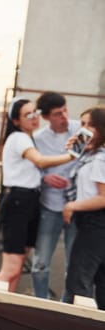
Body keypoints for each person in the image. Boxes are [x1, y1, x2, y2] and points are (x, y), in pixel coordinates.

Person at [0, 97, 74, 293]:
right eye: (27, 114)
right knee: (11, 268)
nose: (34, 118)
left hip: (29, 201)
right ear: (16, 121)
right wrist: (73, 155)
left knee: (18, 266)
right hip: (19, 202)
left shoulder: (29, 138)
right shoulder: (19, 138)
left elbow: (32, 170)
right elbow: (39, 161)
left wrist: (44, 179)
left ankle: (4, 314)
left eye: (35, 113)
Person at [31, 92, 79, 299]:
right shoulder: (38, 138)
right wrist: (45, 179)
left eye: (65, 110)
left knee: (75, 264)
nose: (65, 116)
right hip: (50, 206)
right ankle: (42, 304)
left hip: (78, 206)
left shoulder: (80, 130)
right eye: (58, 114)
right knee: (40, 262)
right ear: (46, 117)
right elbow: (31, 168)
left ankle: (66, 307)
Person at [62, 106, 105, 310]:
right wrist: (74, 151)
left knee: (78, 281)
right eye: (82, 124)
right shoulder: (91, 154)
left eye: (91, 125)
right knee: (100, 280)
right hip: (93, 222)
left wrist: (72, 205)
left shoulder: (100, 157)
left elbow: (103, 198)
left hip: (95, 222)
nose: (84, 129)